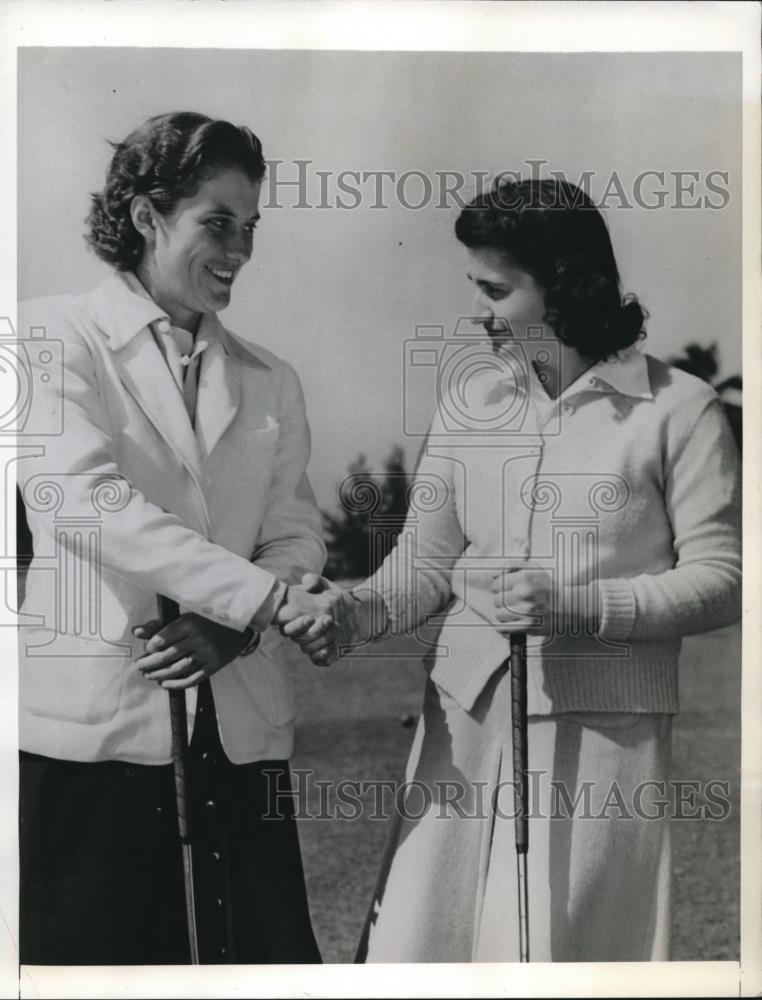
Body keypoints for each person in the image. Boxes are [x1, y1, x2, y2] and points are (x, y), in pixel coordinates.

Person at [278, 178, 742, 961]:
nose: (482, 311)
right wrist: (352, 614)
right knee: (424, 952)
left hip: (605, 740)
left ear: (562, 280)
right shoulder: (470, 401)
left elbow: (724, 576)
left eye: (496, 289)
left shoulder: (680, 408)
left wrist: (582, 605)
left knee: (570, 957)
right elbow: (422, 566)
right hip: (460, 728)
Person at [17, 111, 337, 965]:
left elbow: (298, 534)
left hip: (238, 734)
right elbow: (82, 501)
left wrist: (233, 628)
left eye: (251, 227)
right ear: (144, 216)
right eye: (217, 223)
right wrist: (258, 599)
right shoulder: (46, 336)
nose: (239, 250)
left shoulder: (273, 379)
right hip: (95, 739)